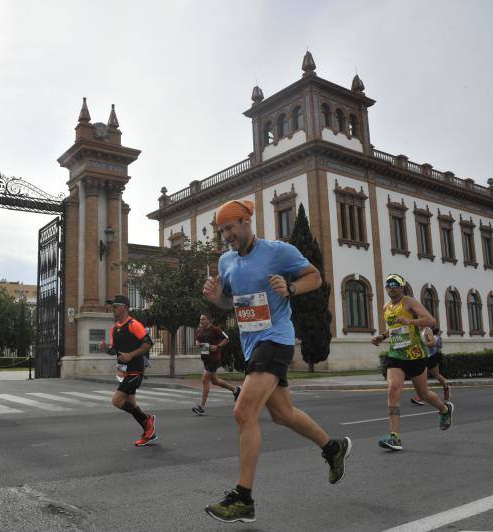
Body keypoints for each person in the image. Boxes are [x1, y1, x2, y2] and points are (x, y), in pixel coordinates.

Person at [202, 199, 351, 524]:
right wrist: (216, 299)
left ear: (245, 222)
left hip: (277, 339)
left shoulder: (277, 251)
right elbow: (230, 303)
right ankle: (333, 448)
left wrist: (291, 287)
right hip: (253, 344)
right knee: (283, 414)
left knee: (243, 412)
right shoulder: (226, 262)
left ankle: (243, 498)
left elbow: (315, 277)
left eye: (230, 227)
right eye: (222, 230)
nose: (227, 235)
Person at [372, 274, 454, 451]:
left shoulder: (409, 302)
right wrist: (382, 336)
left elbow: (431, 320)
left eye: (395, 285)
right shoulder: (386, 306)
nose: (391, 287)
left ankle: (444, 409)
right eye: (388, 285)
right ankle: (394, 437)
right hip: (396, 355)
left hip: (415, 355)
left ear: (402, 288)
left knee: (423, 394)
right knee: (393, 390)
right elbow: (394, 328)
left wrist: (411, 321)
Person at [98, 295, 157, 446]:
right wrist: (106, 349)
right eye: (112, 306)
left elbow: (148, 343)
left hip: (135, 370)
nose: (113, 308)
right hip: (123, 372)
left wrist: (131, 355)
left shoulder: (134, 324)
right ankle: (149, 432)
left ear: (124, 307)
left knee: (117, 401)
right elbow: (115, 351)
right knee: (132, 404)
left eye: (115, 306)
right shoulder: (114, 328)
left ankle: (147, 420)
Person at [192, 313, 241, 416]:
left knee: (205, 379)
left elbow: (226, 338)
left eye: (203, 319)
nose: (201, 321)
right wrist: (197, 343)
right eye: (200, 319)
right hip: (206, 358)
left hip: (214, 358)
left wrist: (217, 347)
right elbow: (198, 339)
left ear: (209, 320)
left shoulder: (215, 329)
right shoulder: (200, 329)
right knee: (215, 381)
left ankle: (201, 407)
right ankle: (235, 389)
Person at [410, 326, 450, 405]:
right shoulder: (415, 330)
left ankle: (446, 387)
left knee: (437, 375)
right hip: (421, 357)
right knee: (420, 376)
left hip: (431, 356)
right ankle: (420, 397)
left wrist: (422, 344)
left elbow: (432, 343)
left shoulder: (427, 330)